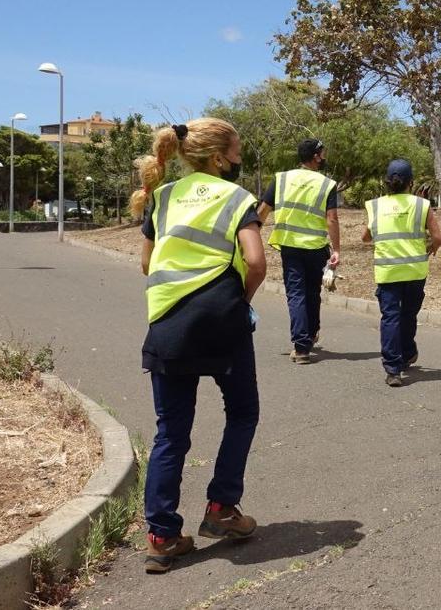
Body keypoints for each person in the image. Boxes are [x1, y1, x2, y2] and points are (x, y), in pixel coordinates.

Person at [131, 118, 267, 574]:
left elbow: (147, 261)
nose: (240, 158)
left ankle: (162, 537)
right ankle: (222, 509)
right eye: (237, 151)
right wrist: (240, 303)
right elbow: (255, 261)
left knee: (171, 433)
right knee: (243, 411)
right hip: (221, 322)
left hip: (168, 324)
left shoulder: (163, 197)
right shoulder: (236, 197)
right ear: (218, 158)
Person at [257, 139, 340, 365]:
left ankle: (302, 346)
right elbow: (331, 219)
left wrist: (252, 235)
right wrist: (337, 249)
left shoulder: (281, 179)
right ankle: (310, 335)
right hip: (315, 247)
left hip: (290, 246)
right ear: (315, 156)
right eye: (322, 154)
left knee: (296, 293)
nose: (324, 158)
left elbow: (263, 210)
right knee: (312, 293)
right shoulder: (327, 184)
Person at [361, 159, 441, 387]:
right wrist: (432, 248)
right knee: (408, 314)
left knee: (390, 317)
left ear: (387, 182)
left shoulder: (375, 206)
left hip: (388, 272)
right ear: (411, 182)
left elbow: (365, 237)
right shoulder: (421, 205)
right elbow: (437, 236)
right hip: (415, 271)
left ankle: (393, 370)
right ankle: (407, 352)